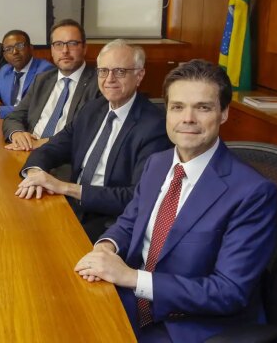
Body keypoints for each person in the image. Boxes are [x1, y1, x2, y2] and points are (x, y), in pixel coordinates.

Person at [74, 59, 277, 342]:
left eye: (203, 107)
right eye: (177, 107)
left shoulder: (253, 193)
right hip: (131, 299)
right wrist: (106, 248)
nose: (188, 119)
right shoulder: (157, 164)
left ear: (224, 114)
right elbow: (130, 220)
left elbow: (228, 291)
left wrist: (132, 278)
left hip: (189, 325)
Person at [16, 40, 172, 241]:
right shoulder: (93, 109)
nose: (109, 79)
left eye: (120, 72)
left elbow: (136, 197)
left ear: (139, 75)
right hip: (71, 206)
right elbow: (53, 147)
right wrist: (35, 174)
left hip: (111, 222)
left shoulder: (154, 126)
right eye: (103, 71)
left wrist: (65, 187)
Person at [2, 19, 99, 151]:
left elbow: (88, 134)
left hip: (63, 159)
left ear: (84, 48)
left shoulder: (99, 84)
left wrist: (43, 143)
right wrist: (17, 134)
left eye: (72, 43)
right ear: (52, 50)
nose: (65, 50)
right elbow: (14, 116)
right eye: (58, 44)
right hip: (26, 151)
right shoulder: (42, 80)